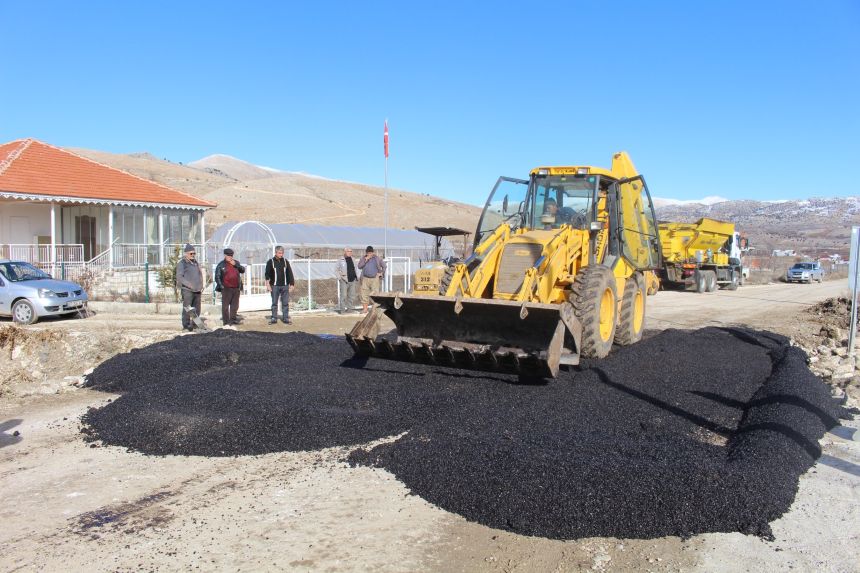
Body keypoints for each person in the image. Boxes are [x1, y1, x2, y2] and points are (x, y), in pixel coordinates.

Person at [214, 247, 245, 326]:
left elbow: (243, 270)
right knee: (225, 306)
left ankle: (233, 319)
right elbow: (217, 277)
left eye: (231, 255)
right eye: (228, 255)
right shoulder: (221, 265)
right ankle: (226, 321)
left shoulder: (236, 263)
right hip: (226, 288)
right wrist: (221, 287)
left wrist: (236, 265)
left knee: (235, 305)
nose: (230, 257)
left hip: (236, 287)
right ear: (225, 255)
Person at [176, 243, 203, 331]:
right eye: (191, 253)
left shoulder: (195, 263)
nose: (193, 255)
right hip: (187, 290)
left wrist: (201, 285)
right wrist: (188, 284)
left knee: (196, 309)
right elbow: (179, 277)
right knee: (188, 308)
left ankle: (196, 325)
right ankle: (186, 326)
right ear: (186, 254)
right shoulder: (182, 263)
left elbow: (200, 274)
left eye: (194, 253)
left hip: (197, 289)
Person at [265, 245, 295, 324]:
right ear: (276, 252)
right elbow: (267, 274)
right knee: (274, 303)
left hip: (285, 285)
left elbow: (289, 273)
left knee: (285, 303)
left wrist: (291, 284)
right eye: (279, 253)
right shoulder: (270, 262)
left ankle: (285, 318)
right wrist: (268, 285)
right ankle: (274, 318)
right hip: (274, 286)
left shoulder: (285, 261)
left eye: (282, 253)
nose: (281, 255)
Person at [357, 245, 386, 313]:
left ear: (373, 252)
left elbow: (384, 266)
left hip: (374, 279)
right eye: (368, 253)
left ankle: (375, 309)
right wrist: (365, 260)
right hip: (365, 278)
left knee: (375, 294)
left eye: (370, 252)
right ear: (366, 253)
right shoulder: (363, 258)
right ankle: (365, 309)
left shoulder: (377, 258)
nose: (369, 254)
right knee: (364, 294)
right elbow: (359, 266)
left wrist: (381, 273)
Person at [335, 247, 359, 314]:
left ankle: (350, 309)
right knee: (344, 296)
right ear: (345, 252)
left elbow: (354, 269)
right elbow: (336, 270)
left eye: (351, 251)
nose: (350, 252)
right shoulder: (340, 259)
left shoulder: (353, 259)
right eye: (349, 251)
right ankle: (342, 310)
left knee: (351, 296)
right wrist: (340, 278)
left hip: (352, 280)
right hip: (344, 280)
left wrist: (355, 276)